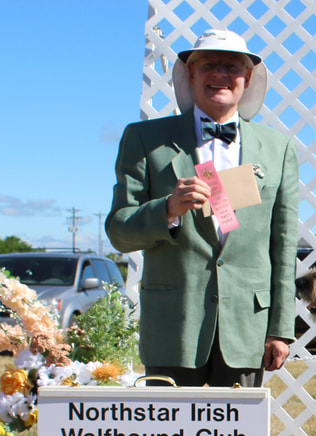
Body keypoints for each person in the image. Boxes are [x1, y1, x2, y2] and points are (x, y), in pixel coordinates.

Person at [107, 29, 299, 387]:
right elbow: (118, 230)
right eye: (209, 64)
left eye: (232, 66)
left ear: (249, 78)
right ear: (190, 74)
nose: (220, 74)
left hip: (247, 329)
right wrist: (167, 209)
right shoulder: (144, 140)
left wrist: (280, 329)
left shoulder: (280, 149)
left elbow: (283, 247)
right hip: (172, 328)